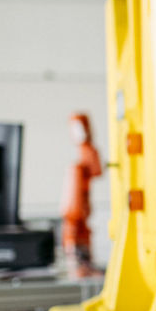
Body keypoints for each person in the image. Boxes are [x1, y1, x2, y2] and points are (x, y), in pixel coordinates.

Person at [61, 112, 102, 278]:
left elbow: (97, 171)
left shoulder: (89, 152)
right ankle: (80, 265)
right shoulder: (77, 166)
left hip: (81, 208)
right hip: (77, 209)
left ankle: (83, 265)